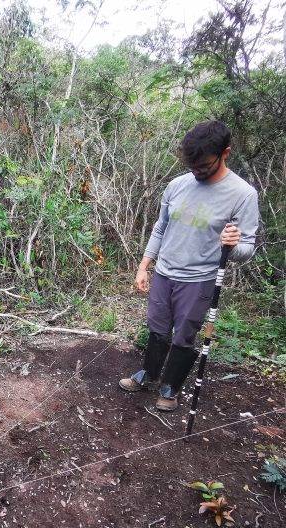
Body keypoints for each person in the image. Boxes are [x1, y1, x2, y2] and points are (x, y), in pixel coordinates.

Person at [119, 120, 259, 411]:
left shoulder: (242, 194)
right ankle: (148, 374)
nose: (196, 171)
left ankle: (170, 388)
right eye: (191, 165)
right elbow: (160, 228)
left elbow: (246, 248)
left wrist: (231, 246)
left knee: (184, 334)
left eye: (203, 166)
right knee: (157, 328)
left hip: (199, 279)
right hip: (164, 272)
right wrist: (144, 266)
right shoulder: (177, 185)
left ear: (225, 153)